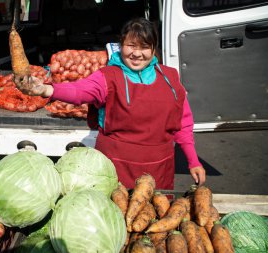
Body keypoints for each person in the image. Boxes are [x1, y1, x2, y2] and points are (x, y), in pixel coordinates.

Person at [16, 17, 206, 190]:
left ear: (154, 48)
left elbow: (183, 123)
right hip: (116, 169)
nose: (137, 54)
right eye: (131, 45)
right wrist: (46, 89)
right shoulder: (108, 77)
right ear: (121, 45)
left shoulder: (170, 78)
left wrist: (193, 161)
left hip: (159, 170)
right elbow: (80, 90)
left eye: (145, 47)